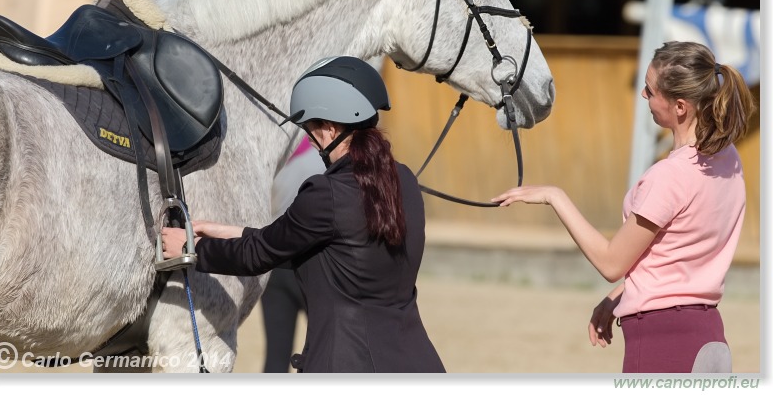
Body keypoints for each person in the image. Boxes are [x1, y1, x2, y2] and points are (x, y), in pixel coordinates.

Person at [162, 55, 445, 373]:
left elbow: (258, 256)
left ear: (330, 127)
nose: (310, 141)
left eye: (310, 130)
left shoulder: (326, 192)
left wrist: (190, 250)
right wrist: (227, 230)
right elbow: (311, 241)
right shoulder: (404, 180)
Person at [492, 41, 755, 373]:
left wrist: (554, 196)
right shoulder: (728, 158)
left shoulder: (670, 175)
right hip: (710, 335)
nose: (644, 96)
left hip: (663, 340)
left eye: (650, 90)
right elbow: (678, 256)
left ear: (679, 107)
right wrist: (621, 297)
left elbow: (610, 262)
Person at [260, 136, 321, 373]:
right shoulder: (322, 158)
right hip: (312, 262)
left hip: (274, 261)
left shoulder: (272, 159)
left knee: (276, 357)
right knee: (323, 351)